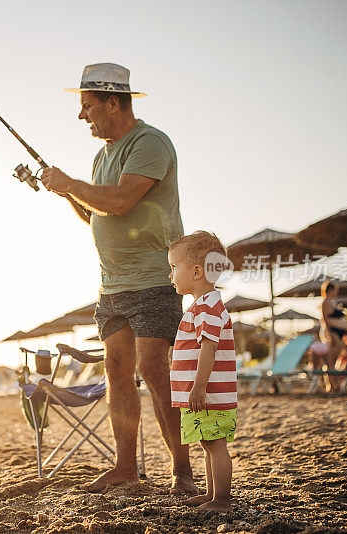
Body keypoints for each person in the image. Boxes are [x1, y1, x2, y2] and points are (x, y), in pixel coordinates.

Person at [41, 63, 195, 494]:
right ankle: (126, 467)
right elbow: (96, 212)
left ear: (113, 102)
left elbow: (123, 201)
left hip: (153, 280)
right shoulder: (101, 154)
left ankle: (181, 470)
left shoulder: (150, 142)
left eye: (86, 106)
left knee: (152, 368)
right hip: (112, 286)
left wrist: (71, 182)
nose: (81, 116)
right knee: (116, 369)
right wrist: (67, 190)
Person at [167, 231, 237, 512]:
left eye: (174, 268)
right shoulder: (200, 306)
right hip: (205, 394)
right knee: (209, 444)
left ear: (196, 271)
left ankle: (222, 500)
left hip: (209, 394)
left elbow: (209, 350)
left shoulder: (208, 306)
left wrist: (198, 387)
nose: (170, 275)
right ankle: (212, 495)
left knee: (215, 444)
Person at [319, 281, 347, 392]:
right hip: (333, 333)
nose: (337, 292)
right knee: (330, 360)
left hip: (339, 333)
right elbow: (325, 320)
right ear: (331, 290)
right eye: (335, 289)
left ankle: (332, 384)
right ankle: (331, 385)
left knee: (334, 359)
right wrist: (330, 335)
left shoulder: (333, 302)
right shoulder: (325, 303)